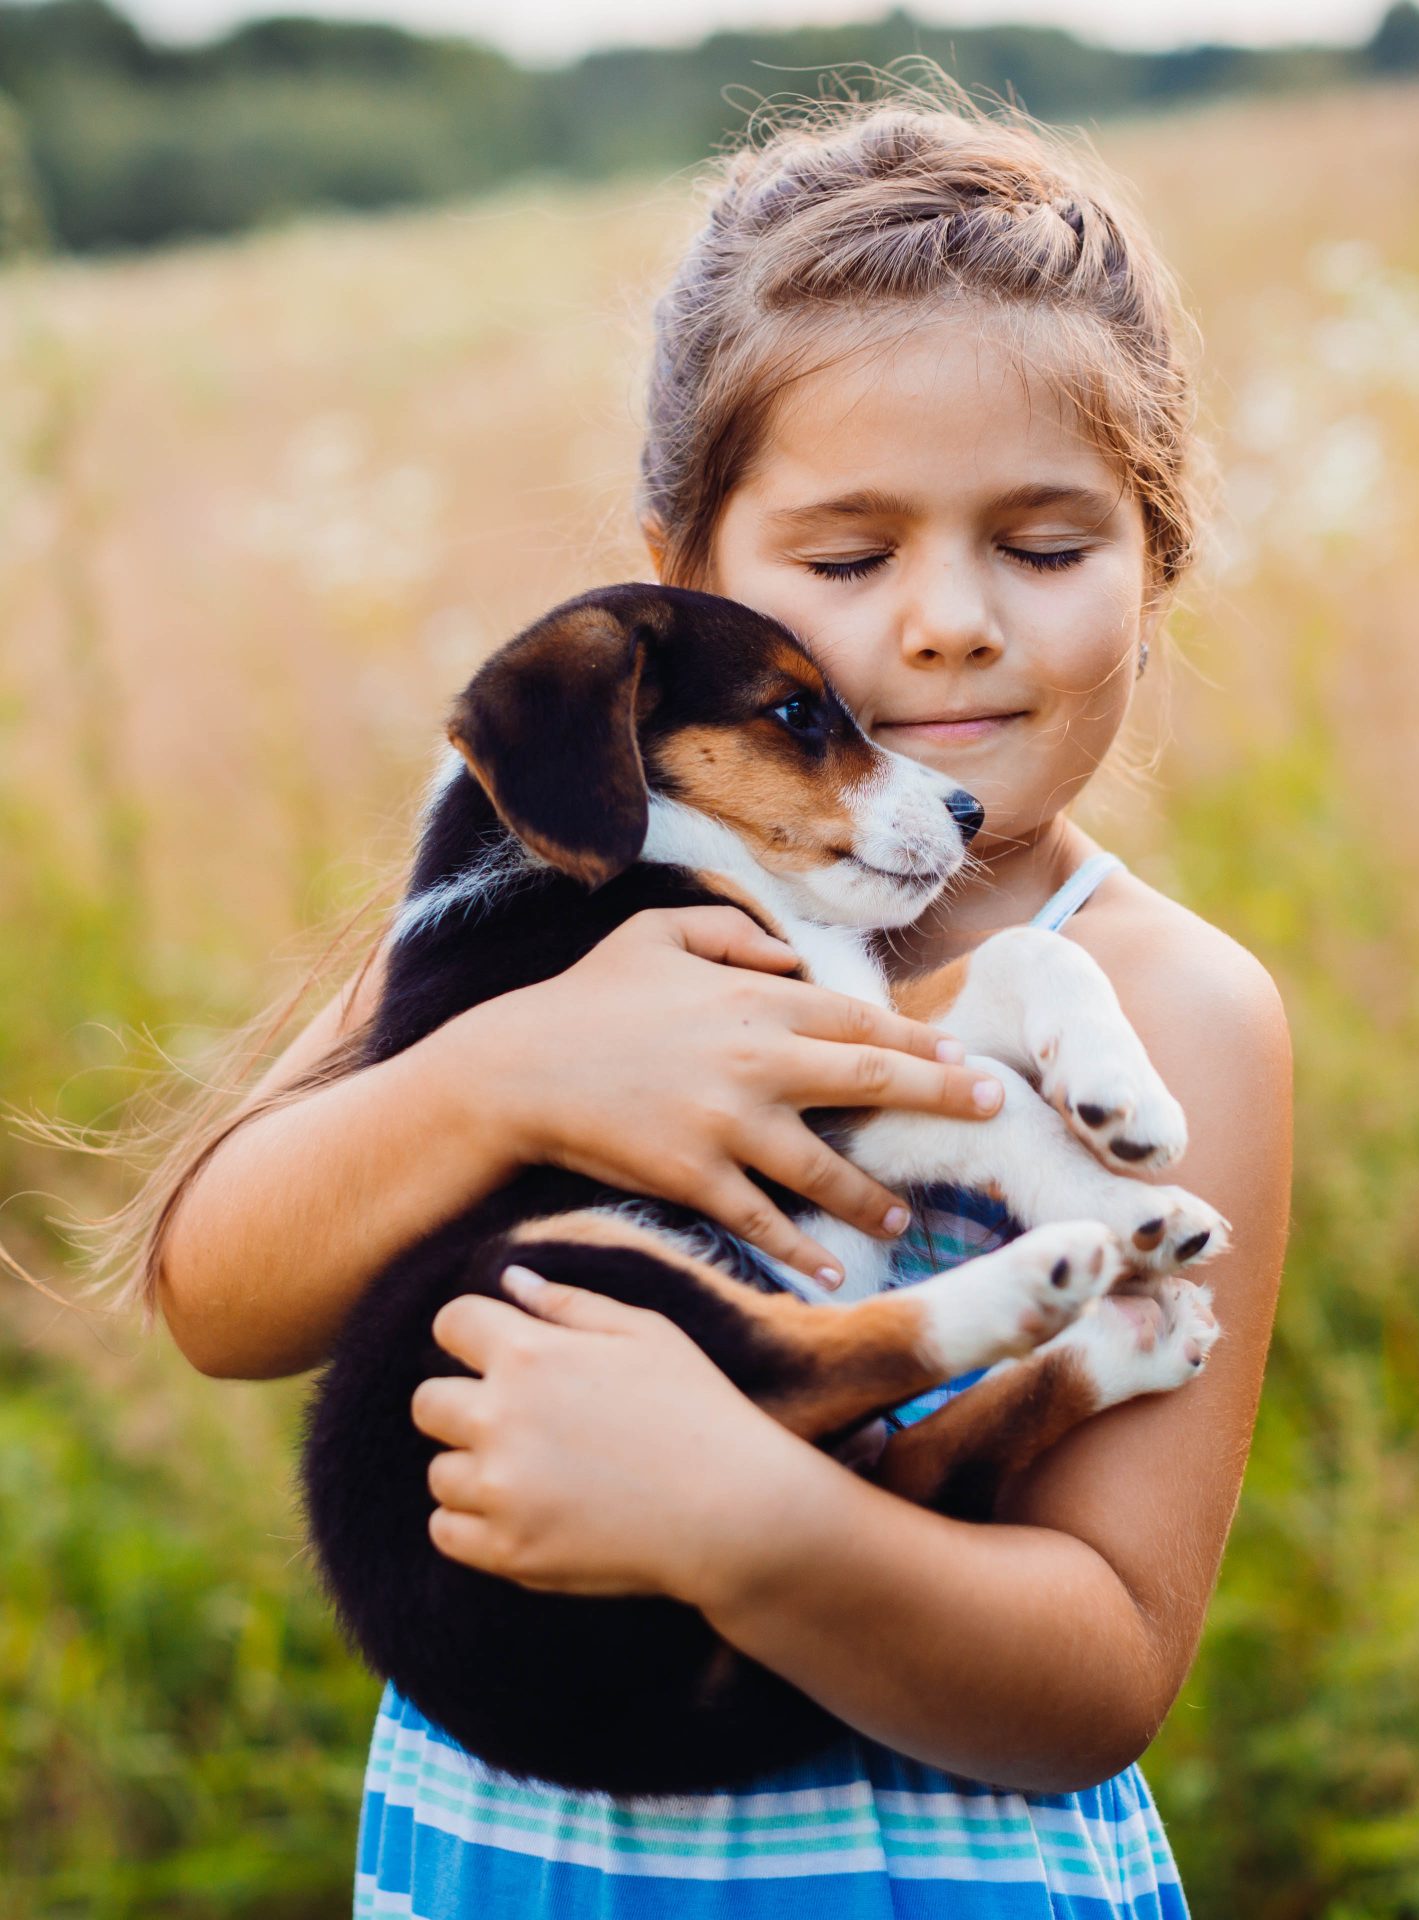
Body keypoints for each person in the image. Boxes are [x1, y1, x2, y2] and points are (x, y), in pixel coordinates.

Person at [143, 81, 1291, 1920]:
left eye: (1045, 545)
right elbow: (218, 1298)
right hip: (516, 1859)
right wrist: (495, 1081)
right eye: (845, 559)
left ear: (1157, 567)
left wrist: (749, 1522)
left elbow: (1101, 1678)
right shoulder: (544, 924)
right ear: (678, 582)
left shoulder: (1175, 1006)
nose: (947, 622)